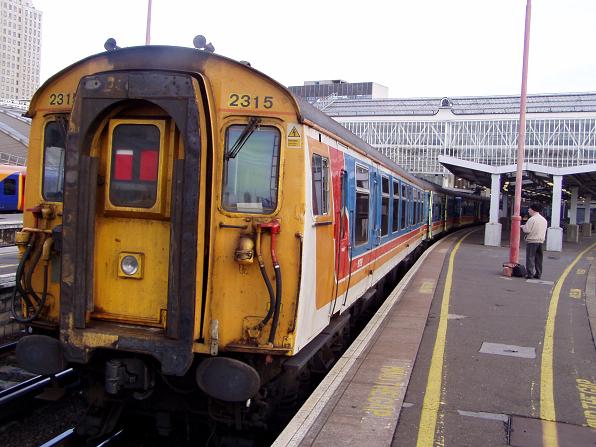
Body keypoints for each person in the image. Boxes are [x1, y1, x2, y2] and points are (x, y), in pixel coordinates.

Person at [521, 203, 548, 279]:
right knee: (539, 259)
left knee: (530, 258)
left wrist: (522, 227)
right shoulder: (544, 220)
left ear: (533, 210)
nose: (528, 210)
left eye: (529, 209)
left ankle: (530, 274)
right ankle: (538, 274)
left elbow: (527, 230)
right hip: (540, 241)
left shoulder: (532, 219)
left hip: (532, 241)